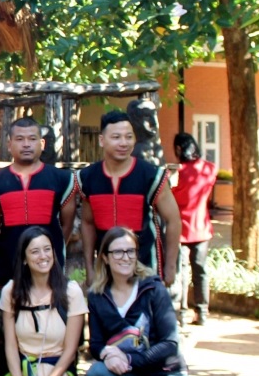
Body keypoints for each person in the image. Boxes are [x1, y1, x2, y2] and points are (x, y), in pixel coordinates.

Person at [85, 226, 191, 376]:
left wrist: (129, 359)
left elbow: (170, 344)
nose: (125, 257)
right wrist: (107, 354)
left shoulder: (153, 288)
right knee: (96, 374)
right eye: (118, 252)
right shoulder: (97, 295)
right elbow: (96, 344)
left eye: (130, 251)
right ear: (105, 258)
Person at [0, 226, 89, 376]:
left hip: (57, 374)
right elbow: (10, 345)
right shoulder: (11, 291)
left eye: (47, 249)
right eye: (35, 251)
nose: (43, 256)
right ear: (24, 259)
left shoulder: (71, 291)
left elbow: (70, 352)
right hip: (23, 371)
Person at [78, 110, 181, 290]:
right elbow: (87, 223)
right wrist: (89, 268)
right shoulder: (87, 177)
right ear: (102, 140)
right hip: (105, 270)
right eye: (116, 137)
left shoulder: (151, 176)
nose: (123, 143)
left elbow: (174, 220)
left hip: (145, 267)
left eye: (129, 137)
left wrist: (170, 267)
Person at [0, 117, 77, 290]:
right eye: (19, 139)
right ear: (9, 144)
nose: (26, 144)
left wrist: (51, 249)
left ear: (42, 143)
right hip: (8, 266)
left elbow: (67, 225)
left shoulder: (62, 179)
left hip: (49, 265)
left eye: (32, 139)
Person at [171, 133, 217, 326]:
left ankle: (181, 313)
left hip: (180, 228)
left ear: (179, 149)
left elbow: (171, 196)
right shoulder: (210, 168)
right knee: (201, 271)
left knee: (180, 272)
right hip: (201, 226)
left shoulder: (177, 172)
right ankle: (202, 312)